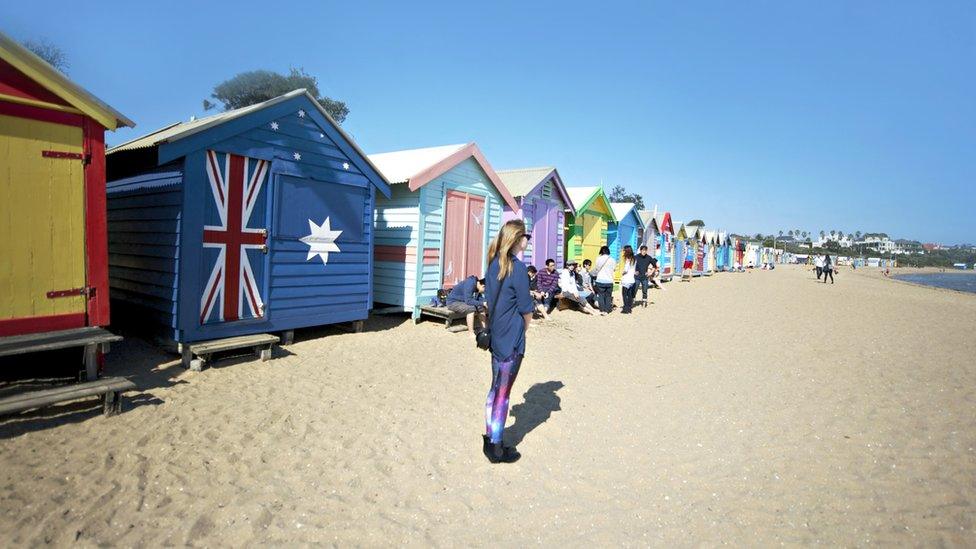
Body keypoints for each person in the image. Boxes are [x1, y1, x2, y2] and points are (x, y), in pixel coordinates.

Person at [482, 219, 534, 464]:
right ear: (517, 239)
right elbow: (526, 309)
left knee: (495, 389)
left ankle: (491, 435)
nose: (528, 240)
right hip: (511, 338)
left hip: (496, 335)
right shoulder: (518, 268)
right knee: (503, 394)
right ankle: (496, 447)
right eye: (527, 236)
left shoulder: (493, 263)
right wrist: (524, 329)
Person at [590, 245, 616, 315]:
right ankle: (607, 310)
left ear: (601, 251)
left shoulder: (599, 259)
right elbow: (614, 269)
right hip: (609, 281)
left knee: (601, 295)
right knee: (608, 296)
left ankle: (602, 310)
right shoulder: (613, 260)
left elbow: (597, 269)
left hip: (600, 280)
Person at [620, 245, 637, 314]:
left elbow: (626, 270)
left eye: (624, 250)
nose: (623, 252)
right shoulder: (634, 259)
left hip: (626, 279)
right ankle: (629, 308)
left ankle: (625, 309)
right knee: (629, 295)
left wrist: (622, 273)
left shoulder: (628, 259)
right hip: (632, 279)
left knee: (624, 294)